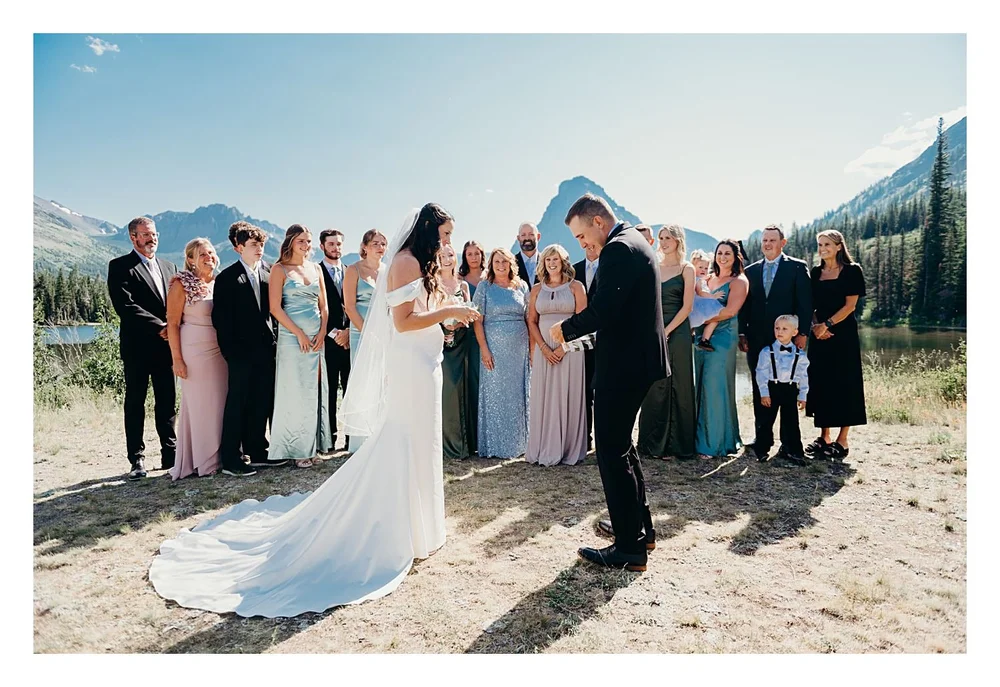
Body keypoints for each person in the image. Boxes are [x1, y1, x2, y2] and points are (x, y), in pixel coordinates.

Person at [148, 203, 480, 618]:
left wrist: (448, 319)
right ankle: (402, 530)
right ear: (429, 231)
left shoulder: (424, 265)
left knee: (424, 441)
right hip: (411, 367)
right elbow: (402, 322)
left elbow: (424, 317)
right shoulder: (404, 262)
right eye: (445, 234)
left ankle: (424, 527)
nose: (448, 242)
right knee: (405, 439)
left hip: (427, 364)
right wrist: (450, 312)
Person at [550, 193, 669, 573]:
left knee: (611, 453)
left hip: (625, 366)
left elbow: (603, 310)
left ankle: (629, 548)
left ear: (598, 222)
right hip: (636, 361)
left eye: (582, 237)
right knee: (622, 448)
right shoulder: (636, 242)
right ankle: (638, 529)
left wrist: (563, 330)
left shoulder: (619, 249)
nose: (582, 245)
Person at [107, 217, 178, 480]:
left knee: (167, 402)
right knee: (136, 403)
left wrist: (174, 328)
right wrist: (160, 326)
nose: (152, 239)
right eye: (146, 235)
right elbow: (124, 306)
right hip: (137, 347)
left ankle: (170, 455)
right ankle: (136, 459)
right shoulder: (120, 266)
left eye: (154, 234)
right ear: (133, 237)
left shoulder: (169, 266)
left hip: (166, 347)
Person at [212, 222, 284, 477]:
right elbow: (220, 320)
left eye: (262, 245)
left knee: (261, 402)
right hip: (240, 353)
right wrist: (231, 353)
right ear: (238, 247)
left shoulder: (269, 272)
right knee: (237, 403)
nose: (260, 249)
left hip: (267, 350)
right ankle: (231, 458)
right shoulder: (227, 278)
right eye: (254, 245)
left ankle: (259, 451)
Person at [737, 224, 812, 461]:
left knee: (788, 390)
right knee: (762, 387)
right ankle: (763, 439)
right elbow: (744, 306)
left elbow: (805, 304)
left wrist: (802, 334)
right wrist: (742, 333)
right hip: (757, 338)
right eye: (764, 241)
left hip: (787, 337)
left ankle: (789, 444)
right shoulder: (751, 271)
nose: (767, 244)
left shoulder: (797, 268)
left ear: (783, 242)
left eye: (772, 240)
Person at [268, 224, 333, 467]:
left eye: (308, 241)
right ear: (290, 243)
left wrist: (323, 331)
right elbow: (275, 308)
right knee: (294, 390)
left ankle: (312, 445)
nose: (306, 246)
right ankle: (296, 449)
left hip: (317, 338)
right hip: (291, 339)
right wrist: (298, 334)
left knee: (314, 390)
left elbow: (324, 306)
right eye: (301, 241)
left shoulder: (316, 268)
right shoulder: (279, 269)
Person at [165, 238, 227, 480]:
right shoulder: (181, 283)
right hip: (194, 350)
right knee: (201, 404)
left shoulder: (219, 281)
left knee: (221, 402)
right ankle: (203, 460)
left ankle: (223, 453)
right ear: (190, 259)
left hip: (220, 350)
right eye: (202, 254)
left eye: (210, 252)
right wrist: (177, 359)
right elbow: (172, 323)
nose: (208, 257)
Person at [805, 229, 867, 461]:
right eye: (820, 245)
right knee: (821, 383)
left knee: (844, 384)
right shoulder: (816, 272)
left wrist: (827, 324)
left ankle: (842, 440)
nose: (822, 249)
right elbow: (810, 304)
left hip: (843, 336)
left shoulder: (852, 271)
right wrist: (815, 326)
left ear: (839, 246)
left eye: (827, 244)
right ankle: (824, 437)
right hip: (819, 336)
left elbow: (850, 305)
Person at [636, 224, 697, 461]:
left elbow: (688, 307)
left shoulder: (686, 268)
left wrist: (668, 330)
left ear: (678, 240)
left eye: (668, 238)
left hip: (679, 332)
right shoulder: (654, 266)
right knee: (655, 385)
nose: (663, 242)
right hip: (655, 331)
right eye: (660, 238)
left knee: (679, 384)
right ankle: (652, 444)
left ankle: (679, 445)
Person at [526, 244, 588, 466]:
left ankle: (568, 448)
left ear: (564, 262)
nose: (552, 263)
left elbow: (583, 323)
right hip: (544, 349)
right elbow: (531, 321)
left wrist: (564, 348)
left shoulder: (576, 287)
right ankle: (544, 447)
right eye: (548, 260)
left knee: (567, 394)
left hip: (570, 350)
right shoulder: (536, 290)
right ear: (543, 263)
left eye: (556, 259)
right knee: (544, 395)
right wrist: (542, 348)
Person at [472, 246, 531, 459]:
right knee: (496, 395)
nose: (500, 265)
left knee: (517, 393)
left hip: (519, 349)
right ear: (491, 264)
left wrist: (531, 348)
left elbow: (529, 317)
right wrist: (485, 350)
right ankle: (496, 445)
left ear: (511, 264)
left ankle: (519, 443)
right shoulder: (484, 287)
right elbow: (477, 322)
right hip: (494, 350)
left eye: (504, 262)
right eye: (496, 262)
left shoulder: (522, 286)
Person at [693, 239, 749, 460]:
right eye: (719, 253)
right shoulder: (707, 278)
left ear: (736, 257)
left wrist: (700, 319)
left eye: (727, 253)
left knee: (714, 387)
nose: (723, 257)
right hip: (700, 336)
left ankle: (713, 444)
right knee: (700, 384)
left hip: (723, 338)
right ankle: (698, 439)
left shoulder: (739, 281)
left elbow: (730, 311)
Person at [343, 228, 388, 453]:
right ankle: (360, 442)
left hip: (384, 334)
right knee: (363, 383)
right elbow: (349, 307)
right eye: (375, 243)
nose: (380, 247)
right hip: (361, 333)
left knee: (381, 383)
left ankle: (379, 436)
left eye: (383, 244)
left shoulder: (388, 272)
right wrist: (368, 333)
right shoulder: (353, 270)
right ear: (365, 247)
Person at [754, 315, 810, 465]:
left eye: (785, 329)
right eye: (777, 328)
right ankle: (761, 450)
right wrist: (764, 393)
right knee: (766, 421)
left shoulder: (800, 355)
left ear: (794, 332)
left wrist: (802, 395)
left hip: (790, 389)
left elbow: (803, 376)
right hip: (772, 388)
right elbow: (761, 373)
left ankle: (794, 451)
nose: (780, 331)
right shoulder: (767, 352)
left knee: (791, 422)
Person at [439, 243, 478, 459]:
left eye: (450, 255)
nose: (447, 259)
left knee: (464, 389)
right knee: (448, 390)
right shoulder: (432, 284)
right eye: (443, 255)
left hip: (462, 342)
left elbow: (470, 313)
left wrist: (457, 324)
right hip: (440, 343)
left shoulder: (462, 285)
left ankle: (467, 443)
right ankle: (448, 444)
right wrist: (443, 327)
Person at [319, 229, 352, 452]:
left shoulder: (351, 272)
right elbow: (316, 307)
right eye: (331, 244)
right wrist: (334, 334)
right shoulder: (316, 272)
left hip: (351, 339)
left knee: (351, 389)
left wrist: (349, 331)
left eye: (339, 244)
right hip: (328, 341)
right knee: (329, 391)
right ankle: (329, 438)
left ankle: (352, 437)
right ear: (322, 246)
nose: (336, 248)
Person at [572, 243, 600, 451]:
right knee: (583, 389)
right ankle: (585, 437)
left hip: (605, 336)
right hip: (580, 337)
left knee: (602, 390)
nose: (590, 247)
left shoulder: (610, 267)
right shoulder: (574, 270)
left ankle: (603, 439)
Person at [688, 250, 724, 351]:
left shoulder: (697, 278)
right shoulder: (697, 280)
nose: (703, 270)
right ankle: (704, 339)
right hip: (699, 304)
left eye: (706, 268)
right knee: (716, 317)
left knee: (693, 323)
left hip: (695, 305)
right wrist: (713, 296)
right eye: (700, 267)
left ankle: (693, 336)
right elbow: (700, 292)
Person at [514, 222, 542, 288]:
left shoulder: (547, 262)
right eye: (523, 235)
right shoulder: (511, 263)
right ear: (518, 238)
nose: (527, 238)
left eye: (531, 234)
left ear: (538, 237)